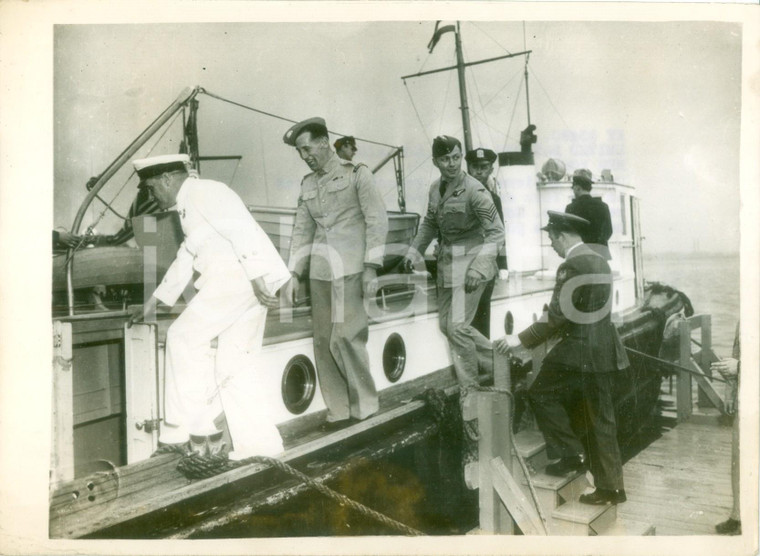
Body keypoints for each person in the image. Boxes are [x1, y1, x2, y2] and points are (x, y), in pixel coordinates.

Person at [128, 154, 291, 460]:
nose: (152, 196)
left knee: (181, 337)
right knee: (234, 366)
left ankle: (180, 430)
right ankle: (261, 445)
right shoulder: (189, 204)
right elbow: (187, 255)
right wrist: (153, 302)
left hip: (240, 280)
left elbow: (241, 229)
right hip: (244, 281)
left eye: (151, 188)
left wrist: (256, 277)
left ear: (166, 179)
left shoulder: (206, 192)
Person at [495, 210, 629, 505]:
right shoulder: (599, 261)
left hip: (580, 351)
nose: (552, 246)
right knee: (602, 418)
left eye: (552, 239)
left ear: (563, 236)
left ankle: (571, 454)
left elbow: (557, 316)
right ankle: (612, 487)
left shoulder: (572, 265)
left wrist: (517, 340)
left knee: (540, 391)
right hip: (605, 350)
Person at [282, 118, 387, 426]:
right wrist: (294, 274)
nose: (304, 156)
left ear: (325, 142)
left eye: (307, 148)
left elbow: (377, 221)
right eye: (300, 152)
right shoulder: (308, 184)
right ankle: (338, 410)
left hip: (352, 268)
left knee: (347, 338)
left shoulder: (357, 174)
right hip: (320, 272)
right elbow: (302, 230)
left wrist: (371, 268)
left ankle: (364, 407)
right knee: (323, 341)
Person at [403, 136, 505, 387]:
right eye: (446, 159)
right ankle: (502, 363)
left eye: (456, 157)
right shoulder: (435, 188)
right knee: (446, 326)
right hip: (447, 266)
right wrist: (414, 250)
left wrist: (480, 269)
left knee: (458, 326)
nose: (452, 163)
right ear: (436, 161)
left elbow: (497, 233)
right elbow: (429, 223)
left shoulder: (475, 190)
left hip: (471, 266)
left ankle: (470, 388)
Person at [465, 147, 508, 338]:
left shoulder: (495, 200)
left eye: (484, 167)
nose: (479, 171)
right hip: (461, 263)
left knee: (481, 317)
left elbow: (499, 234)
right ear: (469, 168)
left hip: (484, 267)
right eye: (475, 167)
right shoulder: (456, 195)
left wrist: (502, 265)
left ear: (491, 169)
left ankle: (482, 365)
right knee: (463, 319)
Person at [714, 322, 741, 535]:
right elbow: (737, 350)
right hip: (747, 399)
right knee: (738, 458)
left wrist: (740, 367)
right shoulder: (746, 312)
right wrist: (730, 390)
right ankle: (737, 516)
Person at [565, 168, 612, 259]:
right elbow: (608, 231)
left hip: (579, 255)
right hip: (600, 254)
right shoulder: (603, 206)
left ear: (578, 188)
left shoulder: (571, 208)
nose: (573, 191)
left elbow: (568, 233)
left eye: (573, 188)